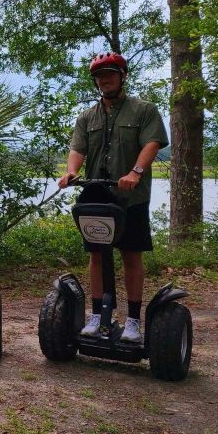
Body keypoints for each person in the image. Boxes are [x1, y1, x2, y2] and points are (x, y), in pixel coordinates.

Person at [58, 52, 169, 344]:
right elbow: (77, 150)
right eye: (99, 76)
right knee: (96, 254)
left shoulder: (143, 110)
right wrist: (71, 173)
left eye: (110, 74)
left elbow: (152, 143)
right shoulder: (87, 117)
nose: (104, 79)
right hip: (97, 195)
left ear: (123, 76)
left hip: (130, 197)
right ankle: (97, 315)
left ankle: (133, 321)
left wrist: (135, 172)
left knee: (131, 255)